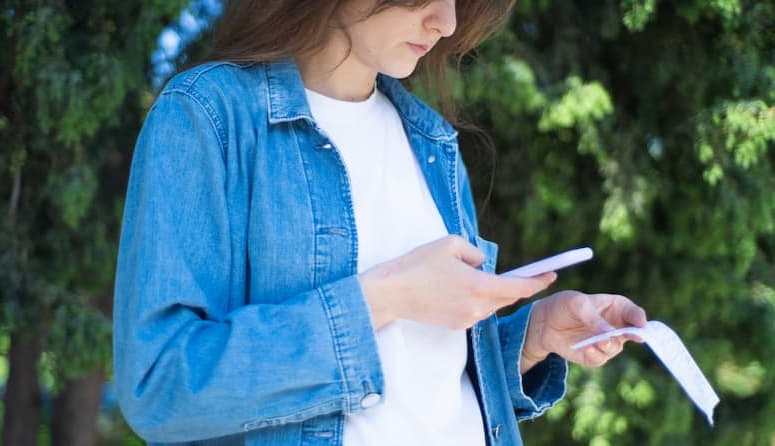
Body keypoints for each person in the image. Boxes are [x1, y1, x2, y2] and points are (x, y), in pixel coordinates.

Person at [112, 1, 648, 445]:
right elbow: (160, 386)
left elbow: (424, 379)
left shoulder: (432, 143)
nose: (448, 23)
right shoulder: (210, 117)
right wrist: (385, 297)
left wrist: (534, 337)